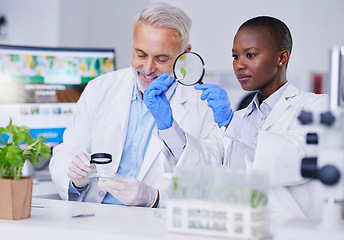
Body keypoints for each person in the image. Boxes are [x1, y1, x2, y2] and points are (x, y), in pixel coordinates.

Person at [49, 2, 222, 208]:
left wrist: (154, 198)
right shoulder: (100, 88)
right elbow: (64, 152)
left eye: (161, 58)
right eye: (141, 54)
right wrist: (74, 177)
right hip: (94, 216)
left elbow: (210, 181)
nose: (148, 69)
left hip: (154, 224)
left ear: (185, 54)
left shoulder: (204, 105)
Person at [194, 16, 328, 228]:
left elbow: (296, 158)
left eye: (250, 55)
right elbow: (201, 161)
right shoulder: (237, 118)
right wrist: (168, 127)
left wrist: (231, 124)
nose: (239, 65)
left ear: (282, 57)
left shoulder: (317, 107)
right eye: (235, 56)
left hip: (289, 232)